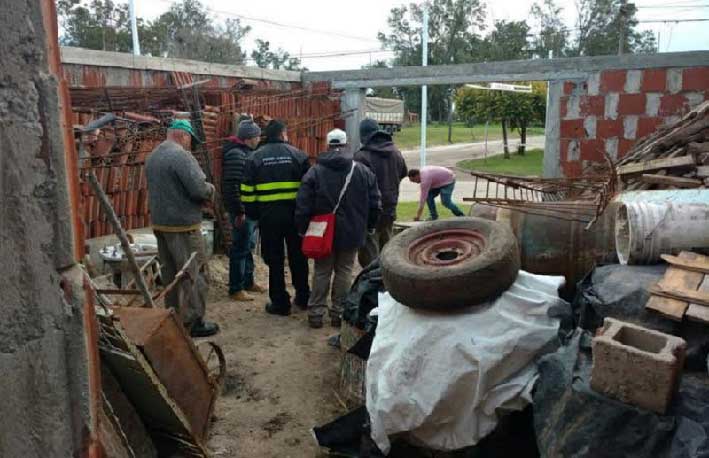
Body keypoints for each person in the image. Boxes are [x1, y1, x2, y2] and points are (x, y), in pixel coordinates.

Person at [295, 128, 381, 329]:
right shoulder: (362, 170)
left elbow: (303, 203)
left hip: (322, 231)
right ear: (345, 144)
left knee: (321, 271)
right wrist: (369, 226)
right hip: (352, 231)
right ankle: (338, 313)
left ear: (327, 145)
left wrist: (302, 228)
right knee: (344, 271)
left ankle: (316, 314)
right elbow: (375, 203)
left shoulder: (315, 171)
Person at [145, 119, 219, 337]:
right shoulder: (181, 156)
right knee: (193, 273)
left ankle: (173, 316)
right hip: (183, 226)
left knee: (171, 275)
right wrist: (211, 190)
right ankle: (194, 321)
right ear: (183, 136)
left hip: (161, 224)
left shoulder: (153, 156)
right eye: (190, 141)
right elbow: (198, 188)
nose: (191, 146)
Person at [242, 120, 311, 316]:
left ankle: (280, 303)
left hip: (268, 218)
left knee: (275, 260)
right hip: (295, 217)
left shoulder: (254, 158)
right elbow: (309, 189)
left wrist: (254, 215)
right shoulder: (299, 156)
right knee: (299, 258)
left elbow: (247, 191)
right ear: (282, 135)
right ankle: (303, 296)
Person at [222, 117, 266, 302]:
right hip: (241, 211)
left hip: (248, 210)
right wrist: (239, 211)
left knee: (248, 246)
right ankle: (236, 288)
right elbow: (232, 186)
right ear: (249, 138)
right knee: (240, 248)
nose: (259, 140)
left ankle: (248, 281)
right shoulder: (236, 155)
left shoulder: (244, 153)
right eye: (257, 136)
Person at [354, 118, 407, 268]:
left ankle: (373, 287)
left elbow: (357, 185)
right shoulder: (396, 153)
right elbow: (403, 173)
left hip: (368, 212)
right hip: (390, 209)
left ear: (363, 135)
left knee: (369, 256)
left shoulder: (361, 157)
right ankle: (387, 286)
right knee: (388, 252)